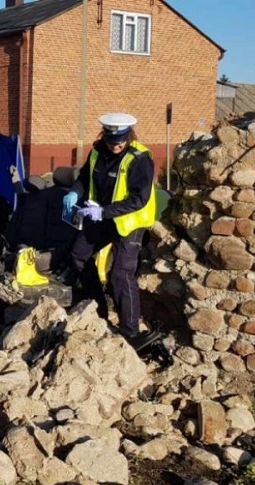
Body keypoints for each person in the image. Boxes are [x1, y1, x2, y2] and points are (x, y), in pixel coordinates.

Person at [62, 112, 161, 352]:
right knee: (78, 257)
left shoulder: (140, 159)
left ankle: (131, 332)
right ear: (103, 136)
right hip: (102, 215)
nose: (115, 145)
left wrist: (104, 212)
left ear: (129, 137)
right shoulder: (97, 151)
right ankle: (98, 311)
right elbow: (85, 178)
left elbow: (139, 199)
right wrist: (75, 191)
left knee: (120, 274)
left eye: (120, 141)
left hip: (129, 222)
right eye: (111, 140)